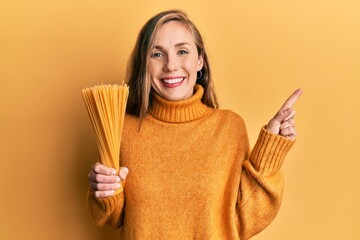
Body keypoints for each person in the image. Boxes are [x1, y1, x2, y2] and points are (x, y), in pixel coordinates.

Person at [87, 9, 302, 239]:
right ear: (144, 65)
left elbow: (243, 217)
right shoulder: (122, 130)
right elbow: (112, 216)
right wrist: (103, 190)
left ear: (200, 60)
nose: (170, 65)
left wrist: (269, 151)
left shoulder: (229, 128)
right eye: (157, 54)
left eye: (182, 51)